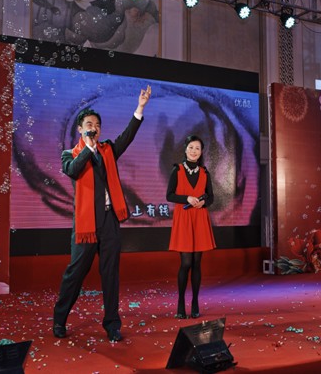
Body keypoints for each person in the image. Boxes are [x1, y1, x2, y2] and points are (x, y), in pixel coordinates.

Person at [53, 85, 152, 342]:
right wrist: (88, 148)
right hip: (86, 224)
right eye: (89, 124)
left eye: (97, 125)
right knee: (75, 273)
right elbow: (73, 170)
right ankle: (60, 319)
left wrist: (140, 108)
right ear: (80, 129)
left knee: (110, 274)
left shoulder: (108, 150)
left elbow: (127, 136)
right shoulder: (70, 154)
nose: (94, 128)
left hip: (109, 220)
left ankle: (112, 324)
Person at [166, 135, 216, 319]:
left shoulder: (204, 172)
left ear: (201, 152)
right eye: (191, 147)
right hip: (184, 218)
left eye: (197, 148)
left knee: (196, 263)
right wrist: (186, 198)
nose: (194, 151)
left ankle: (195, 302)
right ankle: (180, 302)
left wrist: (204, 203)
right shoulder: (177, 170)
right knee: (186, 262)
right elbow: (169, 195)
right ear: (185, 149)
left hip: (199, 217)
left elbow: (211, 197)